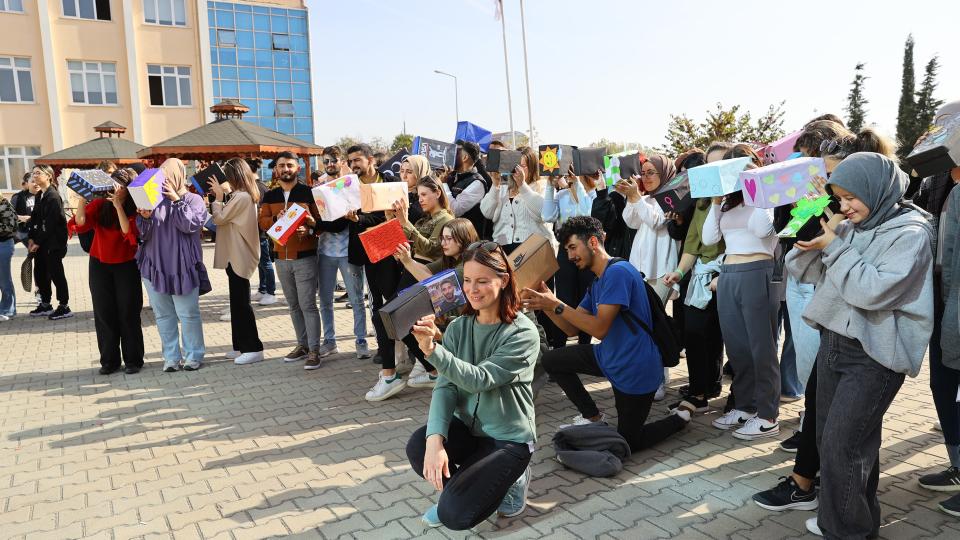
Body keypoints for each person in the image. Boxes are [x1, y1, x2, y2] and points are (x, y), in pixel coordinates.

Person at [752, 124, 901, 515]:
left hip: (865, 339)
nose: (835, 192)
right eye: (830, 180)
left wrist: (834, 233)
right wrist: (818, 209)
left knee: (843, 428)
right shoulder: (838, 209)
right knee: (828, 409)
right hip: (830, 316)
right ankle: (834, 498)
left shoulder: (894, 224)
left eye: (839, 181)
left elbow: (871, 286)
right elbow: (797, 249)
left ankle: (822, 494)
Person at [786, 152, 934, 538]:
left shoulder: (910, 233)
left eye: (851, 197)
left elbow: (872, 291)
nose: (846, 206)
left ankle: (845, 530)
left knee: (841, 446)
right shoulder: (850, 223)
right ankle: (857, 524)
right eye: (839, 197)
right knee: (841, 445)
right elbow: (798, 268)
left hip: (875, 356)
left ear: (875, 189)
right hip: (834, 343)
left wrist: (834, 244)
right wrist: (812, 217)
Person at [524, 216, 690, 451]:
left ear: (593, 242)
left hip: (635, 367)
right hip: (609, 356)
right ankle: (593, 417)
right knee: (553, 360)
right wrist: (546, 306)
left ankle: (678, 419)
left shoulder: (618, 272)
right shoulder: (598, 281)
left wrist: (555, 305)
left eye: (573, 247)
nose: (570, 256)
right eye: (567, 250)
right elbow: (572, 328)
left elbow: (599, 329)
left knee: (629, 442)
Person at [405, 241, 540, 529]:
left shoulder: (523, 333)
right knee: (419, 446)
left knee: (456, 516)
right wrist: (434, 439)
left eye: (482, 281)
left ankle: (513, 481)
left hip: (509, 438)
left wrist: (432, 350)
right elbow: (446, 386)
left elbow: (480, 379)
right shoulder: (458, 327)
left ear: (503, 281)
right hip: (469, 430)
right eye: (467, 280)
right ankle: (462, 490)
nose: (472, 289)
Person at [702, 145, 782, 440]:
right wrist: (714, 201)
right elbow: (710, 238)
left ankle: (768, 414)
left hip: (758, 272)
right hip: (730, 275)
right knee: (737, 348)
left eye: (742, 167)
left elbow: (763, 230)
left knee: (761, 348)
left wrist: (756, 188)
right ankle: (746, 406)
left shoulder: (767, 199)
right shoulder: (727, 204)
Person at [913, 100, 960, 516]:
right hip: (941, 294)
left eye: (949, 126)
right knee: (942, 384)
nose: (940, 133)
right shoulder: (935, 182)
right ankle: (957, 462)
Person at [661, 144, 731, 413]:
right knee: (694, 334)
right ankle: (699, 390)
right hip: (700, 277)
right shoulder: (702, 202)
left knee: (715, 336)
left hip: (727, 275)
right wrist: (678, 273)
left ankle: (710, 389)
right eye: (708, 166)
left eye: (720, 165)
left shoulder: (739, 201)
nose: (713, 172)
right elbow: (691, 245)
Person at [615, 154, 681, 401]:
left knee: (657, 323)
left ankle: (660, 377)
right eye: (644, 173)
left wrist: (635, 198)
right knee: (642, 323)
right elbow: (630, 221)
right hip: (640, 267)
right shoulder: (644, 198)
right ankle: (647, 374)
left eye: (652, 172)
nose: (646, 177)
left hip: (663, 269)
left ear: (664, 173)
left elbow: (656, 222)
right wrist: (632, 197)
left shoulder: (672, 196)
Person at [136, 158, 209, 372]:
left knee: (188, 313)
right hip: (155, 267)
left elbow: (191, 225)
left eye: (167, 175)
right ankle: (170, 357)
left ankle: (193, 355)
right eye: (161, 176)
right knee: (163, 314)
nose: (163, 180)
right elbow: (143, 234)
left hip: (183, 267)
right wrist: (145, 217)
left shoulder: (193, 199)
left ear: (178, 176)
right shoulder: (151, 201)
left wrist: (177, 200)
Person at [69, 168, 143, 373]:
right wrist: (83, 199)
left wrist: (118, 205)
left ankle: (133, 360)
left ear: (128, 189)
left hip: (126, 264)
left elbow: (127, 231)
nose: (115, 189)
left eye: (120, 186)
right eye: (112, 184)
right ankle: (109, 361)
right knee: (103, 312)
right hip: (99, 263)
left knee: (128, 311)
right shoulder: (99, 203)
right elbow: (81, 223)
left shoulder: (134, 207)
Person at [394, 218, 481, 390]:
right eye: (442, 238)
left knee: (418, 323)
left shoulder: (469, 262)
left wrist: (407, 262)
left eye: (449, 238)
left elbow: (435, 286)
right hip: (456, 317)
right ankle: (436, 369)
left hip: (469, 322)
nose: (443, 243)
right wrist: (406, 257)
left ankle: (440, 371)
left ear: (464, 238)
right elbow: (427, 270)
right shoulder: (452, 258)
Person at [343, 144, 403, 393]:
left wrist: (360, 219)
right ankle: (386, 351)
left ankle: (405, 356)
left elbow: (388, 217)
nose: (354, 165)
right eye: (350, 161)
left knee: (393, 303)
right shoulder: (347, 186)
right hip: (365, 252)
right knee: (375, 305)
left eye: (357, 160)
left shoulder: (389, 181)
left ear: (370, 160)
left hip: (387, 248)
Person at [258, 151, 326, 368]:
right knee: (293, 305)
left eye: (289, 165)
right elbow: (262, 222)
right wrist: (273, 219)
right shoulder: (270, 195)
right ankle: (302, 345)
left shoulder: (309, 193)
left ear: (298, 168)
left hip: (305, 257)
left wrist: (310, 227)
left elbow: (321, 221)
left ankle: (315, 350)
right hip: (280, 258)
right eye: (281, 165)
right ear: (276, 169)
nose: (285, 169)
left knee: (307, 304)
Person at [314, 146, 372, 360]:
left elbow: (355, 217)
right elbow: (319, 220)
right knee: (325, 299)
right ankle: (330, 341)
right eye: (326, 161)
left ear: (342, 162)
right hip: (326, 251)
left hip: (350, 251)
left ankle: (361, 340)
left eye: (334, 160)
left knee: (357, 299)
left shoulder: (352, 184)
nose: (330, 164)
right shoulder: (318, 186)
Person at [210, 158, 265, 366]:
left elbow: (219, 218)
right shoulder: (242, 195)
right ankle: (240, 346)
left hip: (239, 255)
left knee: (241, 304)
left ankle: (253, 347)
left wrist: (217, 197)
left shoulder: (242, 197)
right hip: (235, 254)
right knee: (237, 302)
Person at [542, 163, 598, 347]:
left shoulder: (590, 193)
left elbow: (586, 214)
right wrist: (550, 186)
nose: (570, 174)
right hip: (566, 253)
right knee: (564, 299)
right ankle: (559, 347)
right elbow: (548, 216)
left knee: (585, 299)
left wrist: (577, 186)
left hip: (587, 254)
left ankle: (583, 346)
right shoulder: (561, 195)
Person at [27, 165, 71, 319]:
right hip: (41, 243)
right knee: (40, 274)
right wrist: (31, 238)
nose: (35, 176)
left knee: (56, 274)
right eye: (33, 173)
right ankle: (45, 304)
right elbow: (35, 219)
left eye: (38, 173)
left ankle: (64, 306)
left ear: (49, 176)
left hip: (54, 244)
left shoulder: (53, 196)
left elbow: (51, 223)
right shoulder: (40, 195)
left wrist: (37, 242)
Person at [394, 175, 453, 262]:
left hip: (427, 271)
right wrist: (391, 217)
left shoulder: (446, 219)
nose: (420, 200)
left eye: (423, 195)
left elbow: (430, 249)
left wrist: (405, 223)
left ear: (438, 193)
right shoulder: (423, 219)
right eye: (419, 196)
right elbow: (405, 244)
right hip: (412, 268)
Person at [442, 140, 491, 239]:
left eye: (455, 153)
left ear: (465, 157)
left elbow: (455, 210)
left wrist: (444, 185)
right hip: (449, 238)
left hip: (466, 241)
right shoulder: (452, 177)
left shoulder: (477, 183)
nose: (450, 157)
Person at [247, 157, 277, 306]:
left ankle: (271, 292)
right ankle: (263, 289)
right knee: (260, 262)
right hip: (255, 231)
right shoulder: (257, 186)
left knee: (265, 263)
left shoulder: (258, 188)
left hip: (260, 232)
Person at [0, 192, 17, 321]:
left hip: (3, 245)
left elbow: (9, 226)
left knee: (4, 279)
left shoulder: (4, 204)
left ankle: (8, 309)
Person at [10, 173, 35, 246]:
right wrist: (21, 217)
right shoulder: (17, 197)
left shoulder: (40, 195)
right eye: (33, 181)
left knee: (37, 251)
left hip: (33, 230)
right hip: (18, 231)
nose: (36, 183)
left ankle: (30, 257)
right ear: (26, 183)